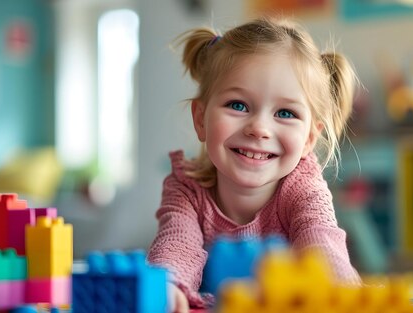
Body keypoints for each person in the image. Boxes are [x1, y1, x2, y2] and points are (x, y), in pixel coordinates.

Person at [148, 16, 361, 312]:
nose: (259, 128)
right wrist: (165, 286)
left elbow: (321, 241)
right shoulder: (187, 188)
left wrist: (335, 290)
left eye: (285, 113)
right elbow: (176, 242)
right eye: (238, 105)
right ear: (200, 119)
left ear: (310, 138)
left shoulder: (304, 189)